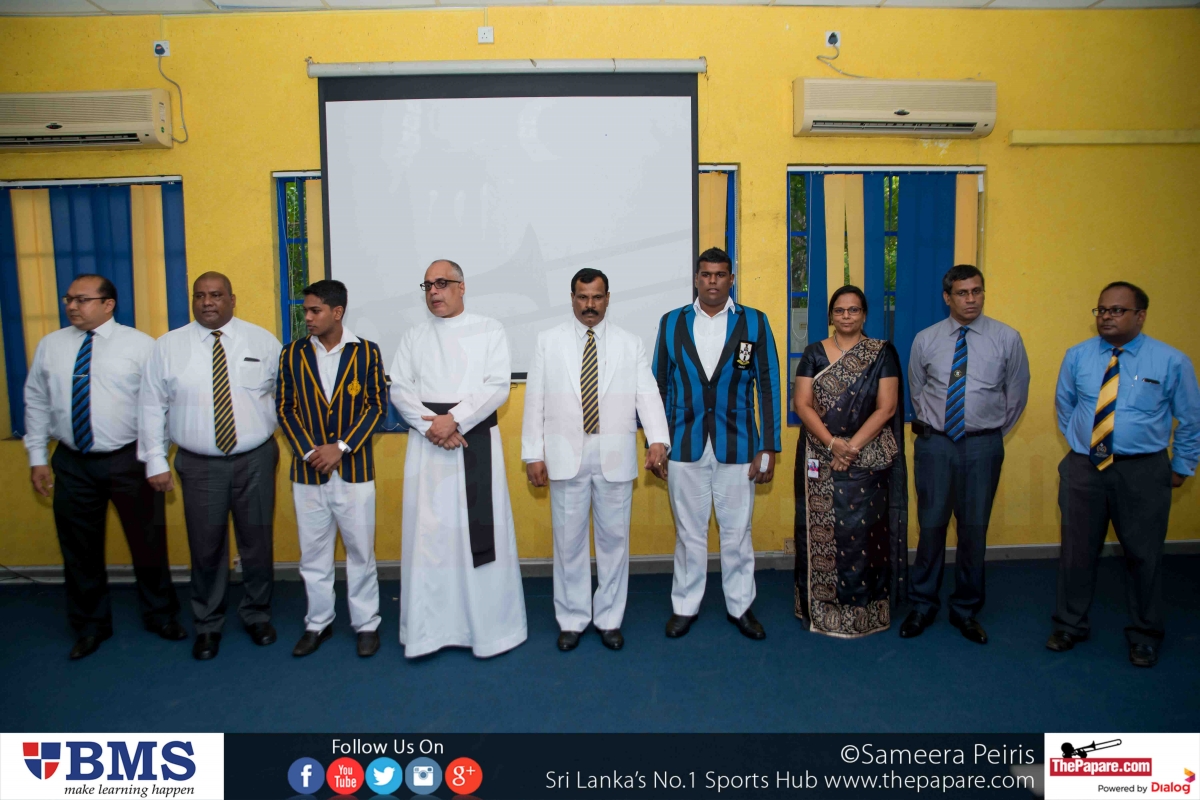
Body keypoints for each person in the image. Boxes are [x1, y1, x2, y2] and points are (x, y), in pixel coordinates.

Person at [25, 274, 183, 660]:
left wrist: (157, 457)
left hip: (130, 460)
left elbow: (159, 406)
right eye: (68, 299)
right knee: (79, 550)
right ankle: (90, 626)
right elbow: (37, 402)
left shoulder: (141, 346)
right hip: (72, 461)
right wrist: (37, 457)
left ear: (108, 304)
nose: (72, 306)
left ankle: (160, 615)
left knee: (148, 543)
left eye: (82, 299)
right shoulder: (51, 346)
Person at [1047, 281, 1200, 668]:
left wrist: (1181, 466)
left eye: (1116, 310)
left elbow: (1191, 419)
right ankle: (1069, 625)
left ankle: (1145, 634)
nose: (1106, 317)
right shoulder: (1078, 355)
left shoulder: (1171, 361)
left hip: (1142, 471)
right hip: (1084, 468)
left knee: (1143, 556)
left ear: (1140, 315)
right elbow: (1065, 405)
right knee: (1076, 553)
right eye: (1101, 310)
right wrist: (1083, 444)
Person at [521, 268, 670, 652]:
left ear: (607, 298)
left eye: (597, 297)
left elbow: (647, 393)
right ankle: (571, 619)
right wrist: (533, 453)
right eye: (583, 297)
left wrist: (658, 439)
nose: (590, 305)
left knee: (614, 543)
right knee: (568, 544)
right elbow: (534, 400)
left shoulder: (629, 343)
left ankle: (609, 619)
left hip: (614, 455)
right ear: (572, 298)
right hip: (563, 455)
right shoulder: (547, 342)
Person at [139, 272, 283, 661]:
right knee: (206, 548)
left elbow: (284, 396)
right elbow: (151, 405)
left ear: (232, 300)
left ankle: (257, 614)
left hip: (255, 459)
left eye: (216, 295)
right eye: (200, 295)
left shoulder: (262, 341)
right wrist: (155, 459)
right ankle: (207, 623)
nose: (207, 302)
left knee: (257, 543)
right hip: (199, 464)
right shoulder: (168, 347)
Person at [389, 259, 527, 658]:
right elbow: (399, 389)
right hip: (428, 446)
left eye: (442, 283)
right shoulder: (414, 335)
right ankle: (429, 632)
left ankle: (490, 630)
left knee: (477, 536)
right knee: (430, 537)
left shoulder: (489, 329)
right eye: (428, 285)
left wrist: (457, 420)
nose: (434, 291)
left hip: (474, 440)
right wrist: (433, 426)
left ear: (462, 287)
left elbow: (498, 386)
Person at [652, 247, 782, 640]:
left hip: (739, 445)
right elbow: (658, 385)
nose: (713, 281)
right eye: (706, 274)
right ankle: (684, 606)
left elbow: (768, 386)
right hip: (683, 443)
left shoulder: (754, 322)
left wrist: (769, 446)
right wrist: (658, 441)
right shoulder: (672, 322)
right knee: (688, 532)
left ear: (731, 279)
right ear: (696, 279)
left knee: (737, 532)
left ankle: (740, 607)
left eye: (720, 274)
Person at [903, 264, 1029, 645]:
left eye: (977, 291)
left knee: (974, 529)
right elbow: (917, 391)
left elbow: (1016, 396)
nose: (971, 299)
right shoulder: (926, 339)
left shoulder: (1007, 338)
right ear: (947, 297)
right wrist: (942, 429)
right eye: (962, 293)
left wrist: (985, 431)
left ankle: (966, 609)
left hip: (982, 445)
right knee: (931, 526)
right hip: (936, 445)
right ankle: (923, 604)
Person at [277, 280, 387, 659]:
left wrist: (340, 447)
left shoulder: (366, 352)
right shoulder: (291, 354)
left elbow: (376, 406)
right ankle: (318, 623)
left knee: (360, 552)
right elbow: (284, 408)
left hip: (355, 471)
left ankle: (366, 623)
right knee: (313, 554)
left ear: (337, 312)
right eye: (305, 311)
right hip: (309, 473)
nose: (307, 317)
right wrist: (311, 451)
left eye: (315, 310)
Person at [792, 285, 908, 638]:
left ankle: (866, 612)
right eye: (840, 310)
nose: (846, 316)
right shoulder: (814, 353)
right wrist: (832, 444)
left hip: (868, 460)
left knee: (865, 536)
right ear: (831, 315)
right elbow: (802, 404)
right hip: (820, 456)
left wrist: (851, 447)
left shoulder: (881, 353)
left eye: (853, 310)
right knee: (820, 535)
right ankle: (821, 607)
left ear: (864, 315)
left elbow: (887, 408)